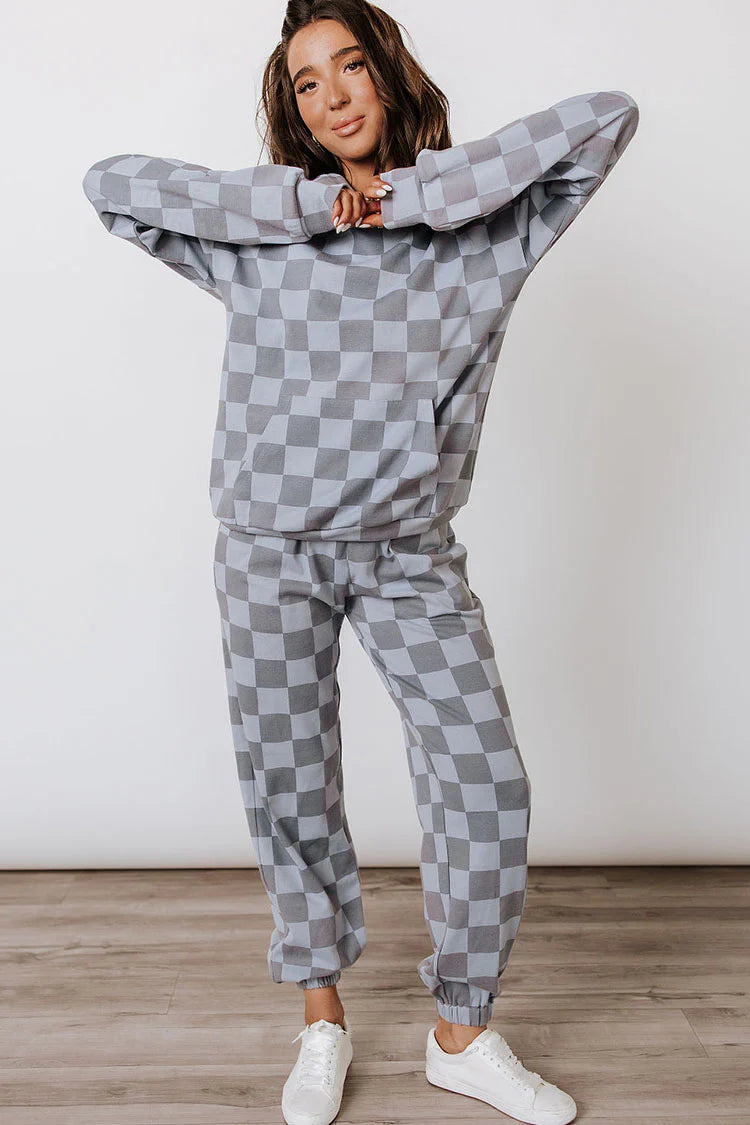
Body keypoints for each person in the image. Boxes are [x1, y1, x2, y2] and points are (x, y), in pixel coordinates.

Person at [81, 1, 639, 1122]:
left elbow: (607, 117)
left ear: (389, 73)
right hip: (268, 551)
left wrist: (413, 195)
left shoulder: (485, 233)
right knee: (290, 784)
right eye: (306, 83)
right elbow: (112, 185)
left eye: (351, 66)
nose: (333, 95)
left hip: (406, 554)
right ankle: (321, 1019)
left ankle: (461, 1031)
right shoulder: (266, 235)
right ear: (293, 110)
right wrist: (301, 205)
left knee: (484, 781)